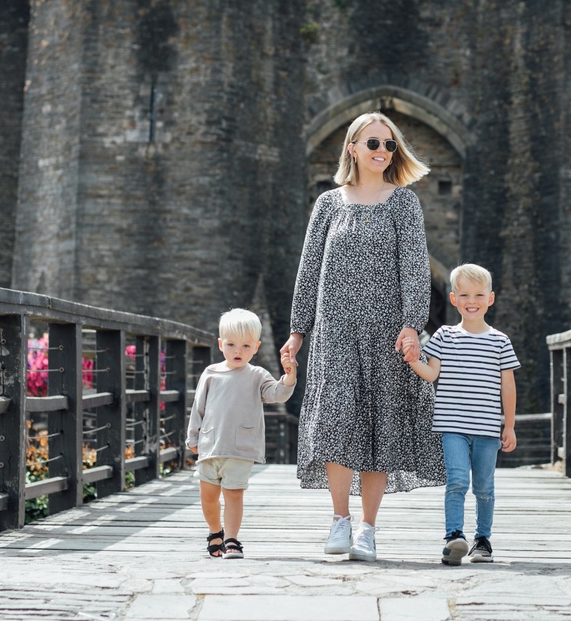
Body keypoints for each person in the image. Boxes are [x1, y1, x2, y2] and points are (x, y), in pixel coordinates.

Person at [281, 111, 444, 562]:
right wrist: (298, 331)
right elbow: (308, 269)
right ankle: (339, 520)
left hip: (388, 333)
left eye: (389, 145)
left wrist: (412, 324)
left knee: (377, 428)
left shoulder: (404, 203)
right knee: (335, 420)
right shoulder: (329, 204)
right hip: (335, 330)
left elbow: (415, 267)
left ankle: (367, 529)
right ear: (352, 147)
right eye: (373, 143)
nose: (382, 152)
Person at [404, 263, 519, 565]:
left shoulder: (500, 341)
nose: (472, 301)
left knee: (484, 486)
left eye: (479, 295)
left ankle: (483, 540)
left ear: (490, 299)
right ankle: (454, 536)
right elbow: (431, 374)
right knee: (456, 480)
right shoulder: (443, 336)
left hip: (488, 428)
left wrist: (509, 425)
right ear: (454, 299)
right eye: (465, 294)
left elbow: (508, 386)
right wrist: (414, 359)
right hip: (452, 424)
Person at [187, 308, 297, 559]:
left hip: (240, 448)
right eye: (231, 344)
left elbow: (276, 394)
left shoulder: (257, 375)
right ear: (220, 344)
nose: (238, 351)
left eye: (246, 346)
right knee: (208, 497)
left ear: (256, 347)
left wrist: (289, 376)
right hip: (210, 445)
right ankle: (215, 531)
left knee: (234, 495)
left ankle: (232, 539)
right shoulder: (211, 373)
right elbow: (198, 407)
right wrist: (192, 437)